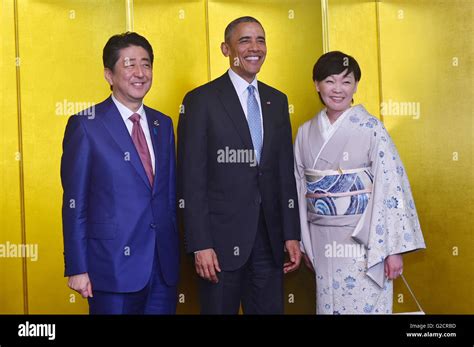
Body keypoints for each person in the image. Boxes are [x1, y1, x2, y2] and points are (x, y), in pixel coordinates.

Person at [177, 16, 301, 314]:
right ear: (225, 48)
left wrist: (291, 233)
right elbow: (190, 179)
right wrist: (200, 243)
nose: (254, 47)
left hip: (270, 244)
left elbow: (284, 172)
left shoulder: (277, 100)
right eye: (244, 41)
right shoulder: (200, 101)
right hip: (218, 245)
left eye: (260, 40)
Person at [294, 51, 426, 314]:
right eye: (330, 81)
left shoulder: (371, 128)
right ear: (316, 84)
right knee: (329, 303)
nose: (338, 89)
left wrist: (392, 250)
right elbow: (298, 187)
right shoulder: (305, 132)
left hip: (365, 239)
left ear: (355, 85)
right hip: (321, 237)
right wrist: (302, 241)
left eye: (347, 81)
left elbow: (391, 187)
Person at [61, 32, 179, 314]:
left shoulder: (163, 124)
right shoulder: (86, 125)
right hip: (111, 269)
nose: (140, 73)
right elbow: (74, 203)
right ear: (109, 74)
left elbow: (168, 196)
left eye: (146, 64)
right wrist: (77, 267)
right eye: (129, 64)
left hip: (163, 270)